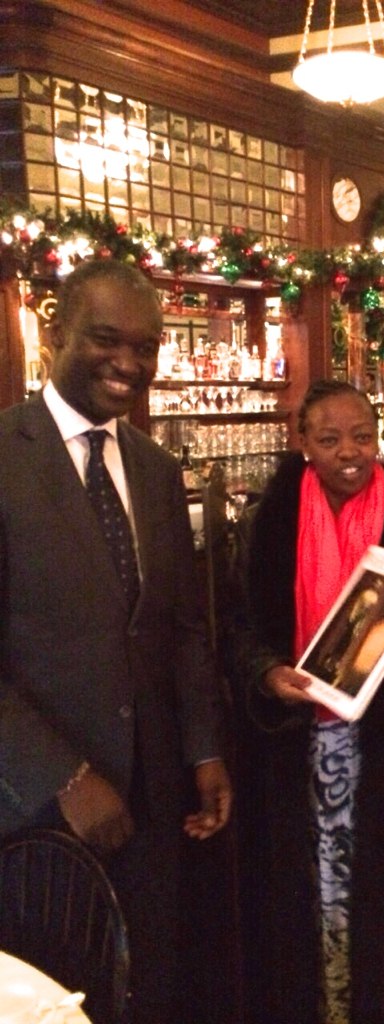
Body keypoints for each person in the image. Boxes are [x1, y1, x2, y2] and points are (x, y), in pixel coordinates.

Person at [0, 259, 233, 1024]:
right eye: (107, 339)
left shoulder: (157, 469)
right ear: (57, 334)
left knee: (149, 986)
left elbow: (182, 630)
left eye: (147, 346)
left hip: (154, 800)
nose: (130, 363)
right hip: (36, 810)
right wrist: (65, 778)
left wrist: (204, 751)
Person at [230, 379, 384, 1024]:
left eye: (362, 436)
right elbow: (235, 626)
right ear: (303, 442)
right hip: (294, 744)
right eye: (329, 439)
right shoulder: (269, 519)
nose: (349, 452)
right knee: (305, 897)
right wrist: (266, 672)